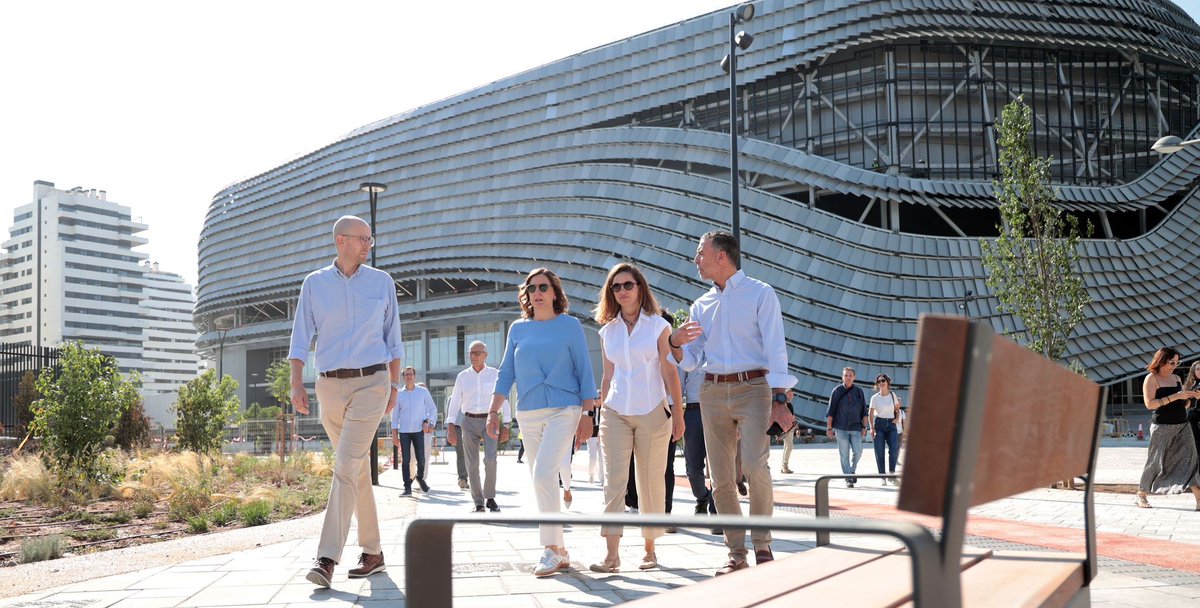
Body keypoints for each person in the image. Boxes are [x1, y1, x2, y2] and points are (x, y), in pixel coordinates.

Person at [669, 231, 796, 576]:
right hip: (712, 391)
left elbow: (776, 348)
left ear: (722, 256)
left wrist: (780, 397)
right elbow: (691, 360)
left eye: (700, 253)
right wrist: (675, 343)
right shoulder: (701, 305)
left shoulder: (761, 293)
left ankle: (762, 544)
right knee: (721, 476)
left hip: (754, 388)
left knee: (755, 466)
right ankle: (736, 553)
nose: (696, 260)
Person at [289, 215, 403, 588]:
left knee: (344, 466)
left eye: (370, 238)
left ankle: (326, 558)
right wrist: (296, 383)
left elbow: (393, 338)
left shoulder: (381, 282)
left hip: (372, 382)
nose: (369, 244)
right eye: (363, 238)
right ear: (341, 241)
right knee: (356, 471)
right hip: (329, 386)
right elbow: (300, 336)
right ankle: (373, 553)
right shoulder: (315, 284)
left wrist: (394, 386)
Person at [486, 268, 598, 577]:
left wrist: (588, 414)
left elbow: (585, 371)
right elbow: (506, 372)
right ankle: (560, 549)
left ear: (555, 293)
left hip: (565, 408)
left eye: (544, 287)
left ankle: (549, 549)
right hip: (529, 412)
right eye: (532, 288)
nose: (537, 292)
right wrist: (493, 411)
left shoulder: (570, 326)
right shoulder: (517, 329)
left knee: (544, 473)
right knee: (541, 479)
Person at [588, 264, 684, 573]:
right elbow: (608, 376)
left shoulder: (658, 326)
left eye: (628, 284)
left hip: (653, 410)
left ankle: (650, 550)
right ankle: (611, 556)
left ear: (640, 287)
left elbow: (669, 372)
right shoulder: (607, 331)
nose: (622, 291)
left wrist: (678, 413)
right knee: (613, 483)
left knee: (650, 481)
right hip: (615, 411)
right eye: (615, 287)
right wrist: (599, 412)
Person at [445, 341, 511, 513]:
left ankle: (490, 498)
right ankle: (478, 502)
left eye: (477, 353)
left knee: (490, 460)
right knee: (472, 463)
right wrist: (450, 425)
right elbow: (455, 402)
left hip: (490, 421)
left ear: (485, 355)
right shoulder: (463, 377)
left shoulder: (495, 374)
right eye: (471, 353)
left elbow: (503, 399)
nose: (473, 356)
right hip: (468, 421)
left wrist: (506, 424)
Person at [1136, 348, 1200, 509]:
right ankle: (1141, 494)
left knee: (1190, 462)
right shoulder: (1151, 378)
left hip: (1183, 425)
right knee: (1155, 462)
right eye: (1171, 362)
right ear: (1161, 360)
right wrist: (1176, 396)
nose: (1174, 366)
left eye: (1177, 362)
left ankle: (1199, 499)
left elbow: (1183, 405)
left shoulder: (1176, 378)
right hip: (1162, 427)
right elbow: (1150, 404)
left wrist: (1191, 398)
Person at [392, 367, 436, 496]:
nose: (409, 376)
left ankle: (420, 477)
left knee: (421, 459)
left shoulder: (423, 392)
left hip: (418, 431)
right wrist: (394, 434)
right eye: (406, 374)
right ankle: (407, 488)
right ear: (403, 377)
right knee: (406, 460)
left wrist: (428, 421)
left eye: (411, 374)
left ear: (415, 376)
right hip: (404, 432)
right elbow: (395, 416)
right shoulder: (399, 394)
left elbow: (433, 409)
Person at [826, 367, 869, 488]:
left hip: (856, 427)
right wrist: (829, 428)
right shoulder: (837, 391)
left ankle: (852, 470)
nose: (848, 377)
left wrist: (864, 427)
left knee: (858, 452)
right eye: (846, 375)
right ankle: (848, 478)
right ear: (842, 377)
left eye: (850, 375)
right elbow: (831, 411)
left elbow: (864, 411)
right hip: (841, 428)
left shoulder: (859, 391)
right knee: (844, 454)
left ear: (854, 377)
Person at [869, 373, 902, 486]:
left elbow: (897, 409)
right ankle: (882, 476)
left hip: (891, 425)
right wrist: (871, 428)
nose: (881, 383)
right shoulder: (875, 398)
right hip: (879, 425)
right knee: (879, 451)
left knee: (894, 449)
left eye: (883, 380)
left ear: (887, 382)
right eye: (879, 381)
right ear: (877, 384)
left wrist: (897, 418)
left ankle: (891, 475)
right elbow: (871, 413)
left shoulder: (893, 395)